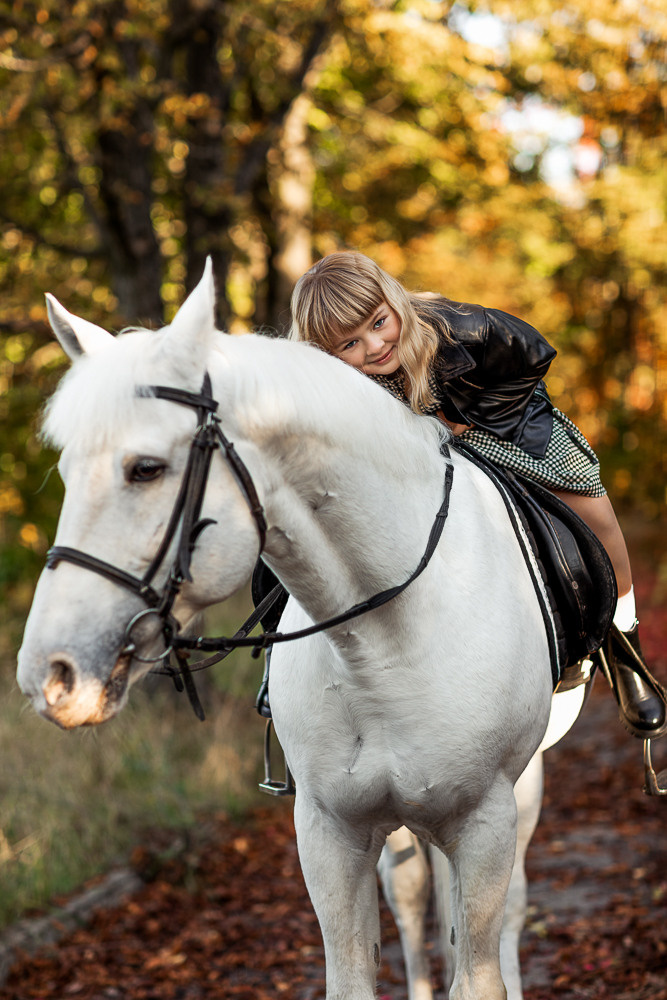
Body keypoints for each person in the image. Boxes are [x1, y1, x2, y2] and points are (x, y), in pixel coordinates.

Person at [265, 249, 664, 740]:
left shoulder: (462, 327)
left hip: (504, 429)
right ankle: (279, 671)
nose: (373, 346)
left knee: (592, 506)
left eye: (378, 323)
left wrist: (464, 419)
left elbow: (530, 355)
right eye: (350, 343)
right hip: (415, 456)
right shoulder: (334, 383)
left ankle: (627, 651)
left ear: (392, 302)